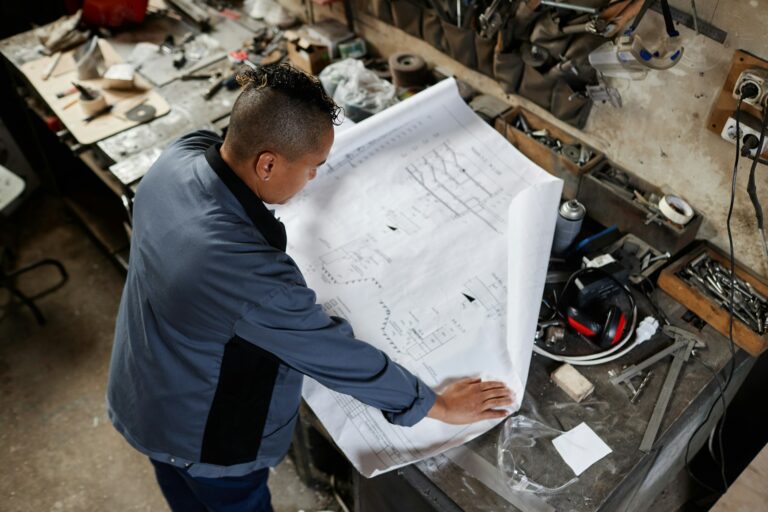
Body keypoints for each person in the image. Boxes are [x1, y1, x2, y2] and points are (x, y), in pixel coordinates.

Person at [106, 63, 513, 512]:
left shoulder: (178, 158)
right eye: (313, 167)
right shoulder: (248, 276)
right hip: (199, 438)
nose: (314, 179)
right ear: (267, 163)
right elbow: (336, 355)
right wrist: (433, 404)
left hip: (142, 391)